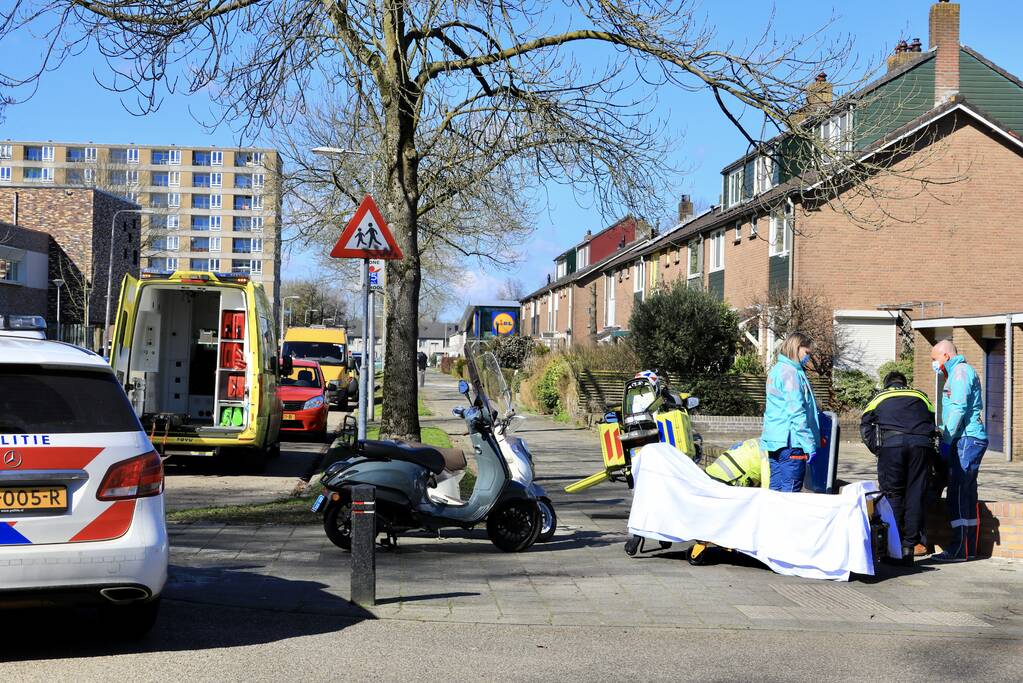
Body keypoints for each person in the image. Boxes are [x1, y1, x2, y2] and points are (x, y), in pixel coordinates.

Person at [860, 371, 936, 564]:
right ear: (904, 383)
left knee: (892, 493)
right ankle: (909, 548)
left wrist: (878, 448)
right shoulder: (921, 396)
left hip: (892, 446)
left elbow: (865, 424)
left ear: (887, 384)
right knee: (916, 494)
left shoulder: (880, 397)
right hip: (921, 446)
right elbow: (932, 420)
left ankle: (893, 547)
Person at [930, 339, 988, 562]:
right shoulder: (959, 372)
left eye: (935, 359)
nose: (934, 365)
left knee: (958, 493)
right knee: (967, 492)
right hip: (968, 439)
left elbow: (958, 407)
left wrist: (946, 439)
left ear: (945, 356)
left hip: (965, 439)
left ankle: (958, 549)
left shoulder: (960, 372)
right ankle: (968, 548)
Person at [760, 332, 821, 492]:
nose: (808, 357)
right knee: (790, 491)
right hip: (792, 442)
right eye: (807, 352)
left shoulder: (776, 370)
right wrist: (809, 444)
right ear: (797, 347)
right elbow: (796, 412)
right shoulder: (791, 374)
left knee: (775, 489)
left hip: (775, 441)